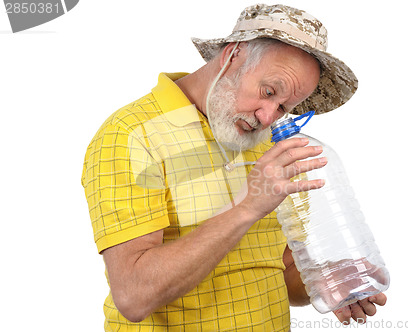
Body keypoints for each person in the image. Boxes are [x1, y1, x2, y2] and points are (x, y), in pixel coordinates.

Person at [81, 4, 387, 331]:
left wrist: (327, 280)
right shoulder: (132, 135)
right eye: (268, 92)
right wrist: (247, 207)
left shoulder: (270, 144)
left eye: (284, 107)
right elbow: (134, 296)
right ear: (233, 55)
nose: (268, 117)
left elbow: (278, 270)